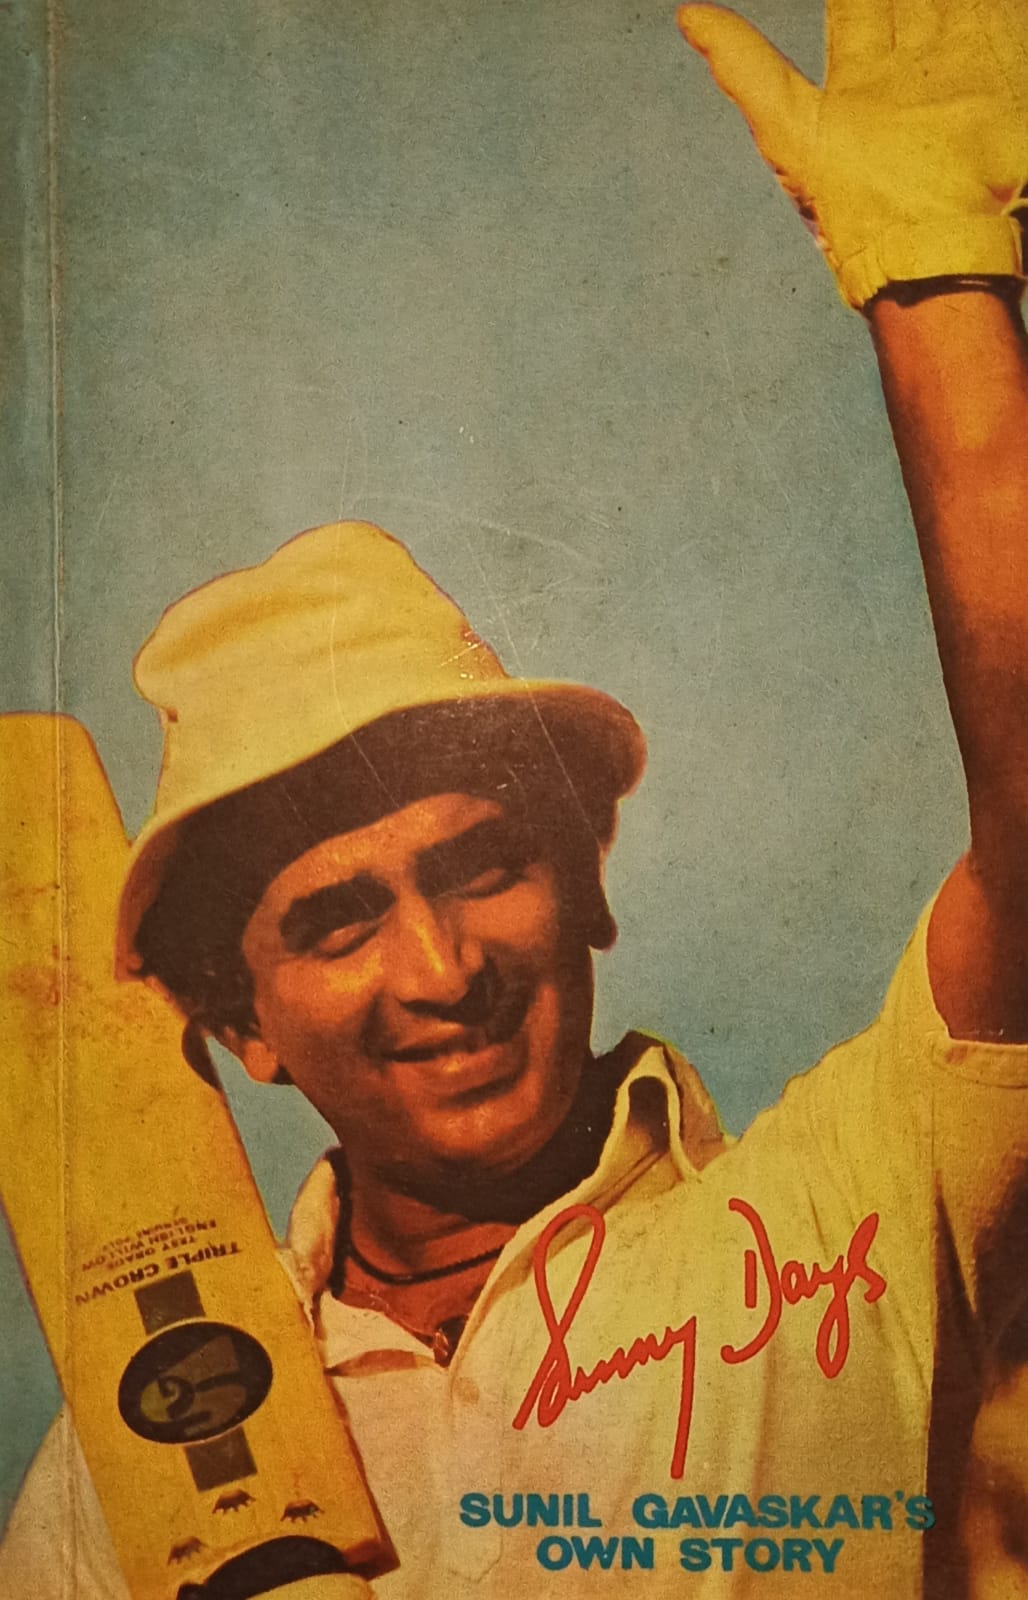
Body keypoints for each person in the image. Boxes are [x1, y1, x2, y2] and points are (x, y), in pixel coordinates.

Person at [2, 0, 1027, 1595]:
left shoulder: (851, 1210)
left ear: (590, 878)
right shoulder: (114, 1483)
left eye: (483, 865)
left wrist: (933, 284)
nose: (443, 967)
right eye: (337, 920)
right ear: (242, 1021)